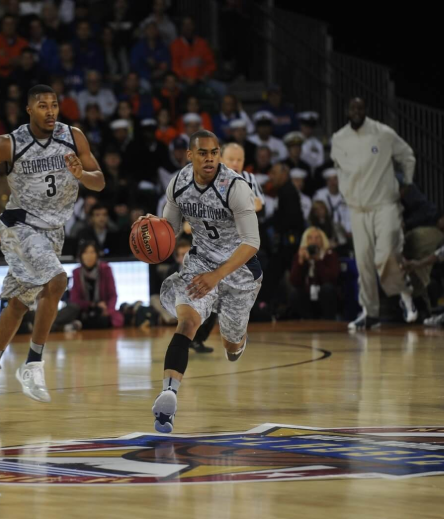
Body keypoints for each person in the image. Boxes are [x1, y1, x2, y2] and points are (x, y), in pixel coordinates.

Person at [0, 85, 105, 412]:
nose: (50, 111)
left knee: (18, 305)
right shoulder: (10, 143)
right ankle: (33, 363)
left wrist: (81, 174)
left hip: (53, 232)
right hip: (18, 226)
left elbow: (99, 180)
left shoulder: (73, 136)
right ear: (28, 109)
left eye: (54, 105)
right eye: (42, 105)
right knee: (57, 281)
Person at [140, 130, 262, 433]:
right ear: (190, 155)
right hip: (200, 263)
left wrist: (217, 277)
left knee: (231, 346)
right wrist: (148, 228)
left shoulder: (235, 186)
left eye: (214, 152)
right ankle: (168, 395)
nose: (210, 159)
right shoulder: (179, 184)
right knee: (187, 323)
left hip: (240, 269)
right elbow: (169, 229)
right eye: (203, 153)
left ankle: (237, 340)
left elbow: (252, 243)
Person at [330, 98, 418, 330]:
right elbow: (340, 170)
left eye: (360, 107)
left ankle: (405, 294)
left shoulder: (383, 133)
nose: (356, 111)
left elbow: (407, 155)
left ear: (366, 110)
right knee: (364, 263)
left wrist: (407, 181)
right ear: (346, 111)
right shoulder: (338, 139)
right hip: (357, 209)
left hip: (385, 204)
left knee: (386, 255)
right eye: (352, 107)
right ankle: (370, 312)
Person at [69, 241, 123, 329]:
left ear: (97, 254)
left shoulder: (106, 269)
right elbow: (74, 299)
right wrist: (93, 305)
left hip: (102, 311)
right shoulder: (76, 272)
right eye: (85, 252)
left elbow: (113, 295)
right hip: (84, 310)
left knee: (112, 320)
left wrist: (108, 310)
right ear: (81, 255)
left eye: (92, 252)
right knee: (72, 311)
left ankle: (80, 324)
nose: (89, 256)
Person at [289, 227, 340, 320]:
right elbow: (294, 281)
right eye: (310, 238)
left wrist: (318, 261)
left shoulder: (330, 254)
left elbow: (332, 278)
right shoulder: (300, 255)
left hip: (324, 296)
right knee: (294, 293)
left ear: (322, 240)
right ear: (305, 240)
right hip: (307, 296)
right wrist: (301, 262)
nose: (313, 241)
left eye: (317, 238)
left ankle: (329, 321)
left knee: (327, 289)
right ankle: (308, 320)